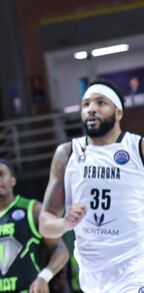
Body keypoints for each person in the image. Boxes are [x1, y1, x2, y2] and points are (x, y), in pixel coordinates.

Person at [38, 79, 144, 293]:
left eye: (101, 103)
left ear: (119, 112)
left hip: (135, 270)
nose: (91, 109)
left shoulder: (137, 148)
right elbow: (45, 223)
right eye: (86, 104)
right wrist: (65, 224)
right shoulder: (67, 153)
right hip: (92, 279)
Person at [0, 158, 68, 293]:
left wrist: (44, 277)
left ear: (13, 180)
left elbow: (61, 250)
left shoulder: (32, 210)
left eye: (1, 174)